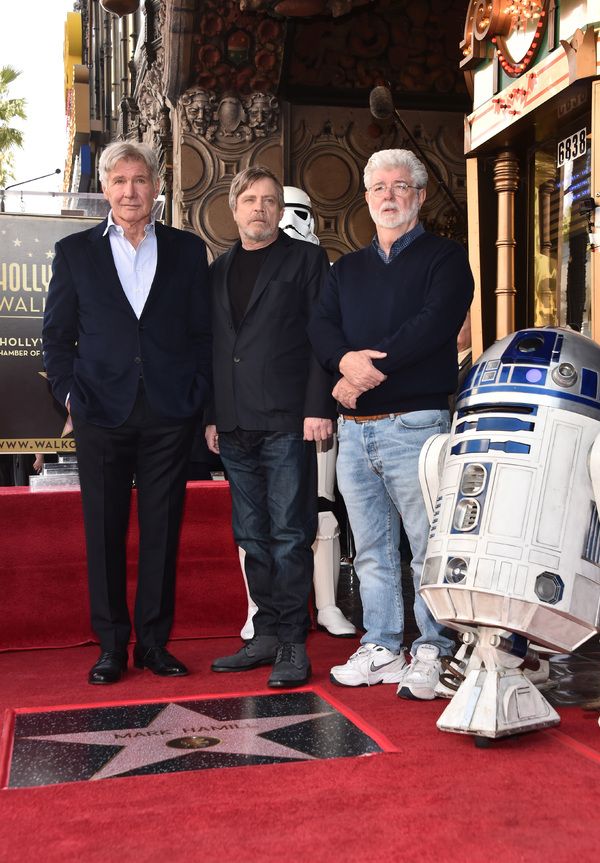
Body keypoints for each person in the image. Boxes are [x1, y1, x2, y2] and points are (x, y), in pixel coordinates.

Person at [42, 141, 211, 685]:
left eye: (139, 180)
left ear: (156, 187)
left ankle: (154, 645)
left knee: (163, 531)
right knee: (104, 531)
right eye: (119, 181)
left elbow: (203, 333)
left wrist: (196, 393)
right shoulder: (74, 253)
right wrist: (71, 396)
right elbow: (56, 337)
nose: (130, 191)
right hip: (99, 411)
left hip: (169, 412)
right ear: (106, 189)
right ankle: (112, 647)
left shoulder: (188, 251)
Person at [308, 148, 474, 698]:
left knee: (428, 545)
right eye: (378, 187)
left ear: (419, 196)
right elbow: (321, 327)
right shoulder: (345, 270)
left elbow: (433, 325)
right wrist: (343, 362)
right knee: (371, 551)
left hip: (416, 426)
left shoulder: (445, 258)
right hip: (355, 434)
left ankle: (434, 649)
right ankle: (381, 645)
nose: (388, 196)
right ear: (366, 197)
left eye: (400, 186)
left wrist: (361, 375)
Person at [205, 166, 334, 688]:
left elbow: (322, 337)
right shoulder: (217, 269)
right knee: (252, 536)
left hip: (287, 420)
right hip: (233, 423)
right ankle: (264, 634)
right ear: (234, 209)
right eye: (250, 200)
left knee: (288, 534)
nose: (259, 208)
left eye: (269, 200)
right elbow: (213, 348)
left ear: (280, 211)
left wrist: (317, 407)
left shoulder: (306, 260)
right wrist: (212, 416)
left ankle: (292, 644)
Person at [237, 185, 356, 640]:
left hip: (317, 408)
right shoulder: (237, 266)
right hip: (259, 411)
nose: (285, 219)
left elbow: (330, 341)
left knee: (322, 508)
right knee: (255, 519)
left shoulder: (326, 268)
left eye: (293, 210)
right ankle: (259, 609)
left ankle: (326, 603)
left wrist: (322, 401)